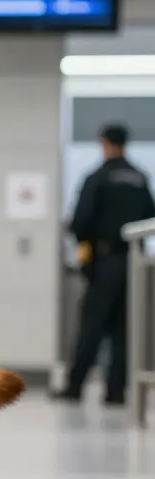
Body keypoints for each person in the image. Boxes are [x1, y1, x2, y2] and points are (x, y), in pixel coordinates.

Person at [56, 123, 155, 405]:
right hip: (133, 262)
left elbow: (80, 220)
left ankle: (75, 387)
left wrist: (85, 246)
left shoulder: (98, 177)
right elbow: (150, 215)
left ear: (104, 143)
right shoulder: (139, 177)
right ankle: (116, 390)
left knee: (91, 326)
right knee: (126, 329)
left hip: (104, 262)